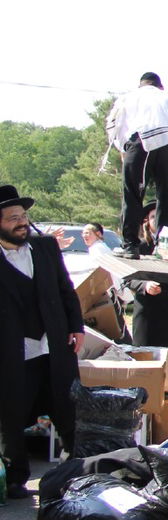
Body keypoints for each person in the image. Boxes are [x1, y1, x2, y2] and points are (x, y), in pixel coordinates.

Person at [0, 185, 83, 500]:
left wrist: (76, 327)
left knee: (67, 408)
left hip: (54, 343)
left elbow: (66, 289)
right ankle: (15, 477)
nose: (21, 222)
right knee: (11, 414)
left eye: (23, 216)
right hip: (13, 350)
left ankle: (74, 472)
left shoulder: (45, 247)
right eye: (12, 218)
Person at [105, 71, 168, 258]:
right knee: (167, 196)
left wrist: (123, 149)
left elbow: (113, 124)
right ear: (160, 86)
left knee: (133, 193)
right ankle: (164, 245)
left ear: (141, 85)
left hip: (141, 140)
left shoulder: (129, 97)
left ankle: (130, 245)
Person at [126, 204, 168, 349]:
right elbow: (127, 277)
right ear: (147, 222)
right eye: (153, 217)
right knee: (146, 354)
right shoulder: (139, 246)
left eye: (161, 216)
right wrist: (144, 285)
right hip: (148, 309)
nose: (157, 220)